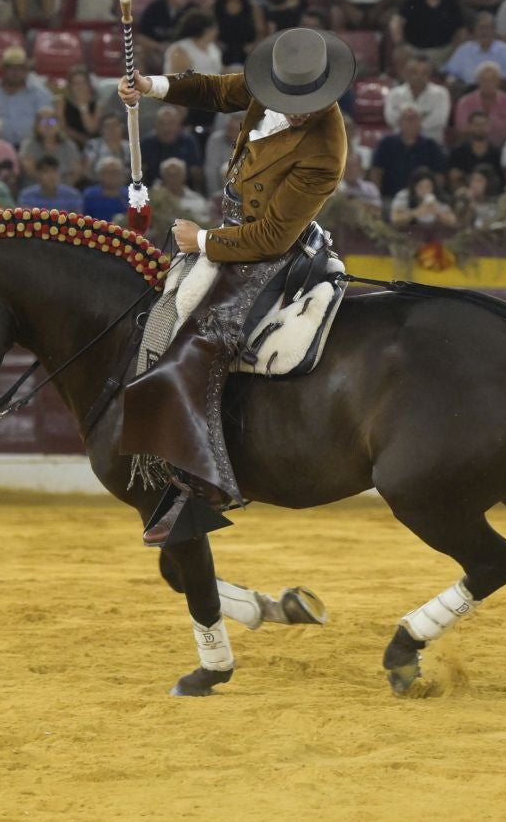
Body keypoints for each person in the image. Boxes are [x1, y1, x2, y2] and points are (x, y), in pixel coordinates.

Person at [118, 26, 354, 544]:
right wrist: (152, 85)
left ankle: (206, 484)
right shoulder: (268, 86)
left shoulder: (325, 148)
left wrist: (200, 239)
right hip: (232, 232)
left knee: (204, 338)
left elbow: (270, 236)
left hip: (268, 249)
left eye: (305, 104)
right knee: (158, 314)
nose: (294, 110)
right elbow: (214, 91)